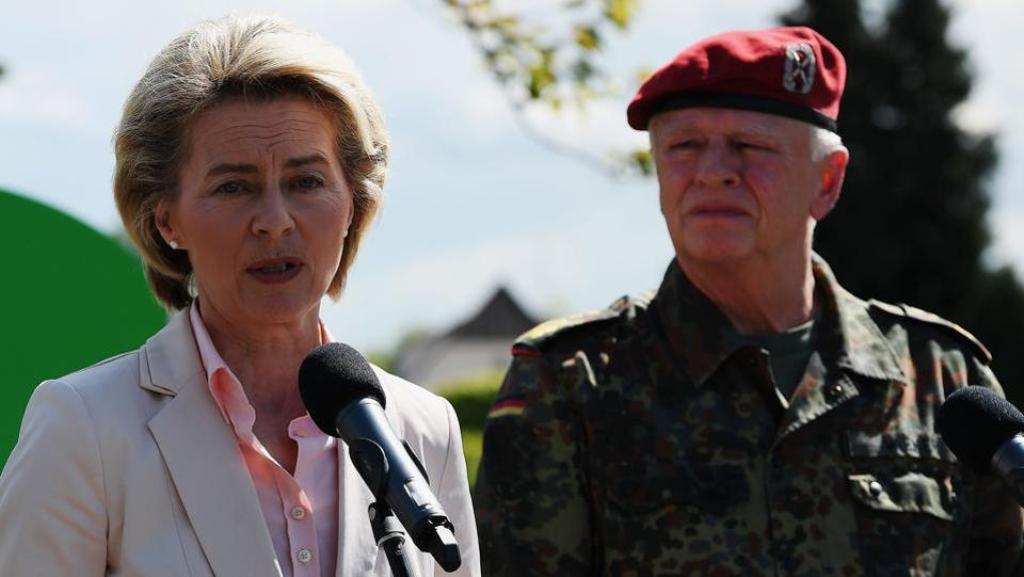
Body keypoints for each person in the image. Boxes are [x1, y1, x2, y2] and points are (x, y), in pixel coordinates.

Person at [474, 26, 1024, 576]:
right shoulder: (572, 382)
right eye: (684, 146)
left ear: (827, 181)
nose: (713, 172)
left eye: (751, 146)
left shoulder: (943, 378)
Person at [0, 15, 479, 577]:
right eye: (234, 187)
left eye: (306, 182)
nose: (274, 222)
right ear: (166, 219)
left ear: (353, 203)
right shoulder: (84, 428)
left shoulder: (425, 428)